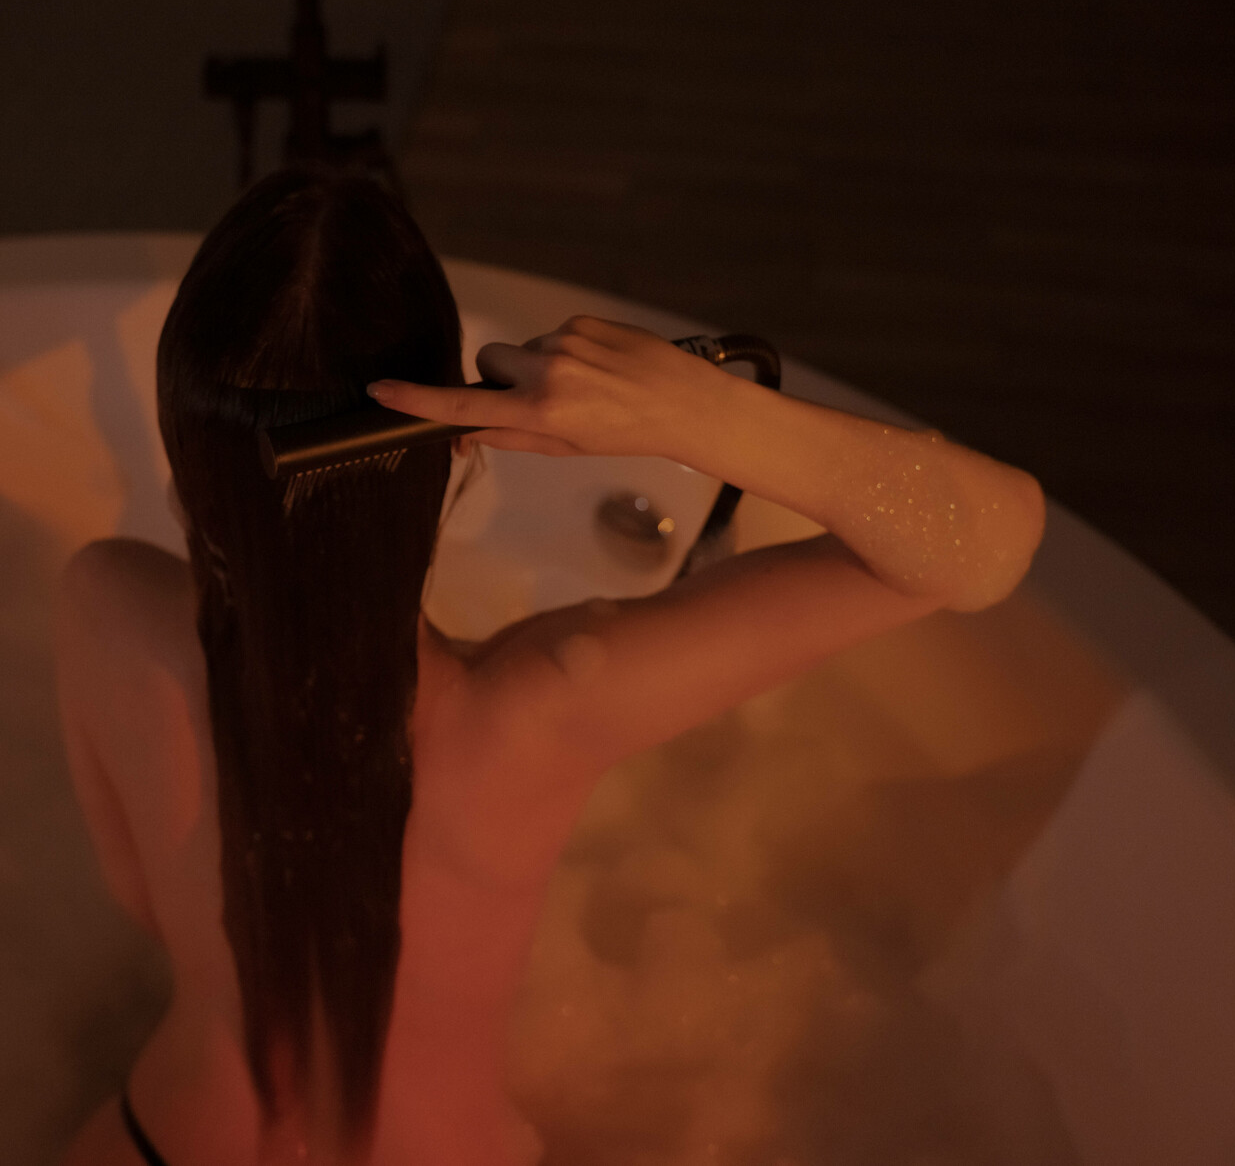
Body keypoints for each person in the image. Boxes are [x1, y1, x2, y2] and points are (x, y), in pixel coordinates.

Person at [52, 169, 1045, 1166]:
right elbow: (987, 549)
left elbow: (138, 897)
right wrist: (704, 415)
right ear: (458, 452)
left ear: (188, 466)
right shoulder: (538, 711)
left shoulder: (103, 607)